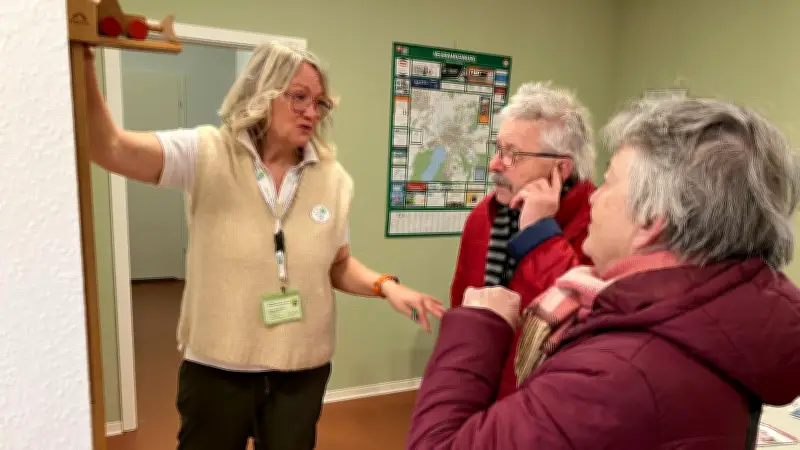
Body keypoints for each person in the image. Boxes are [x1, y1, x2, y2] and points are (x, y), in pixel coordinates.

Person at [82, 41, 445, 450]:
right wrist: (85, 59)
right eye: (299, 97)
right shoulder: (207, 153)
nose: (312, 112)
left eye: (320, 103)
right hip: (219, 369)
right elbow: (108, 147)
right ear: (263, 92)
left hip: (300, 371)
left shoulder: (334, 178)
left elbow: (338, 263)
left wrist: (386, 286)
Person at [407, 96, 800, 449]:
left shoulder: (613, 373)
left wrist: (486, 315)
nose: (597, 195)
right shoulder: (713, 309)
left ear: (651, 220)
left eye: (609, 183)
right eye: (498, 149)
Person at [449, 81, 595, 399]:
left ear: (561, 168)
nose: (494, 164)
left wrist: (539, 232)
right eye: (498, 149)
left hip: (548, 399)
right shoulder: (484, 216)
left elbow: (583, 331)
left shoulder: (600, 227)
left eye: (512, 155)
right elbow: (462, 304)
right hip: (481, 389)